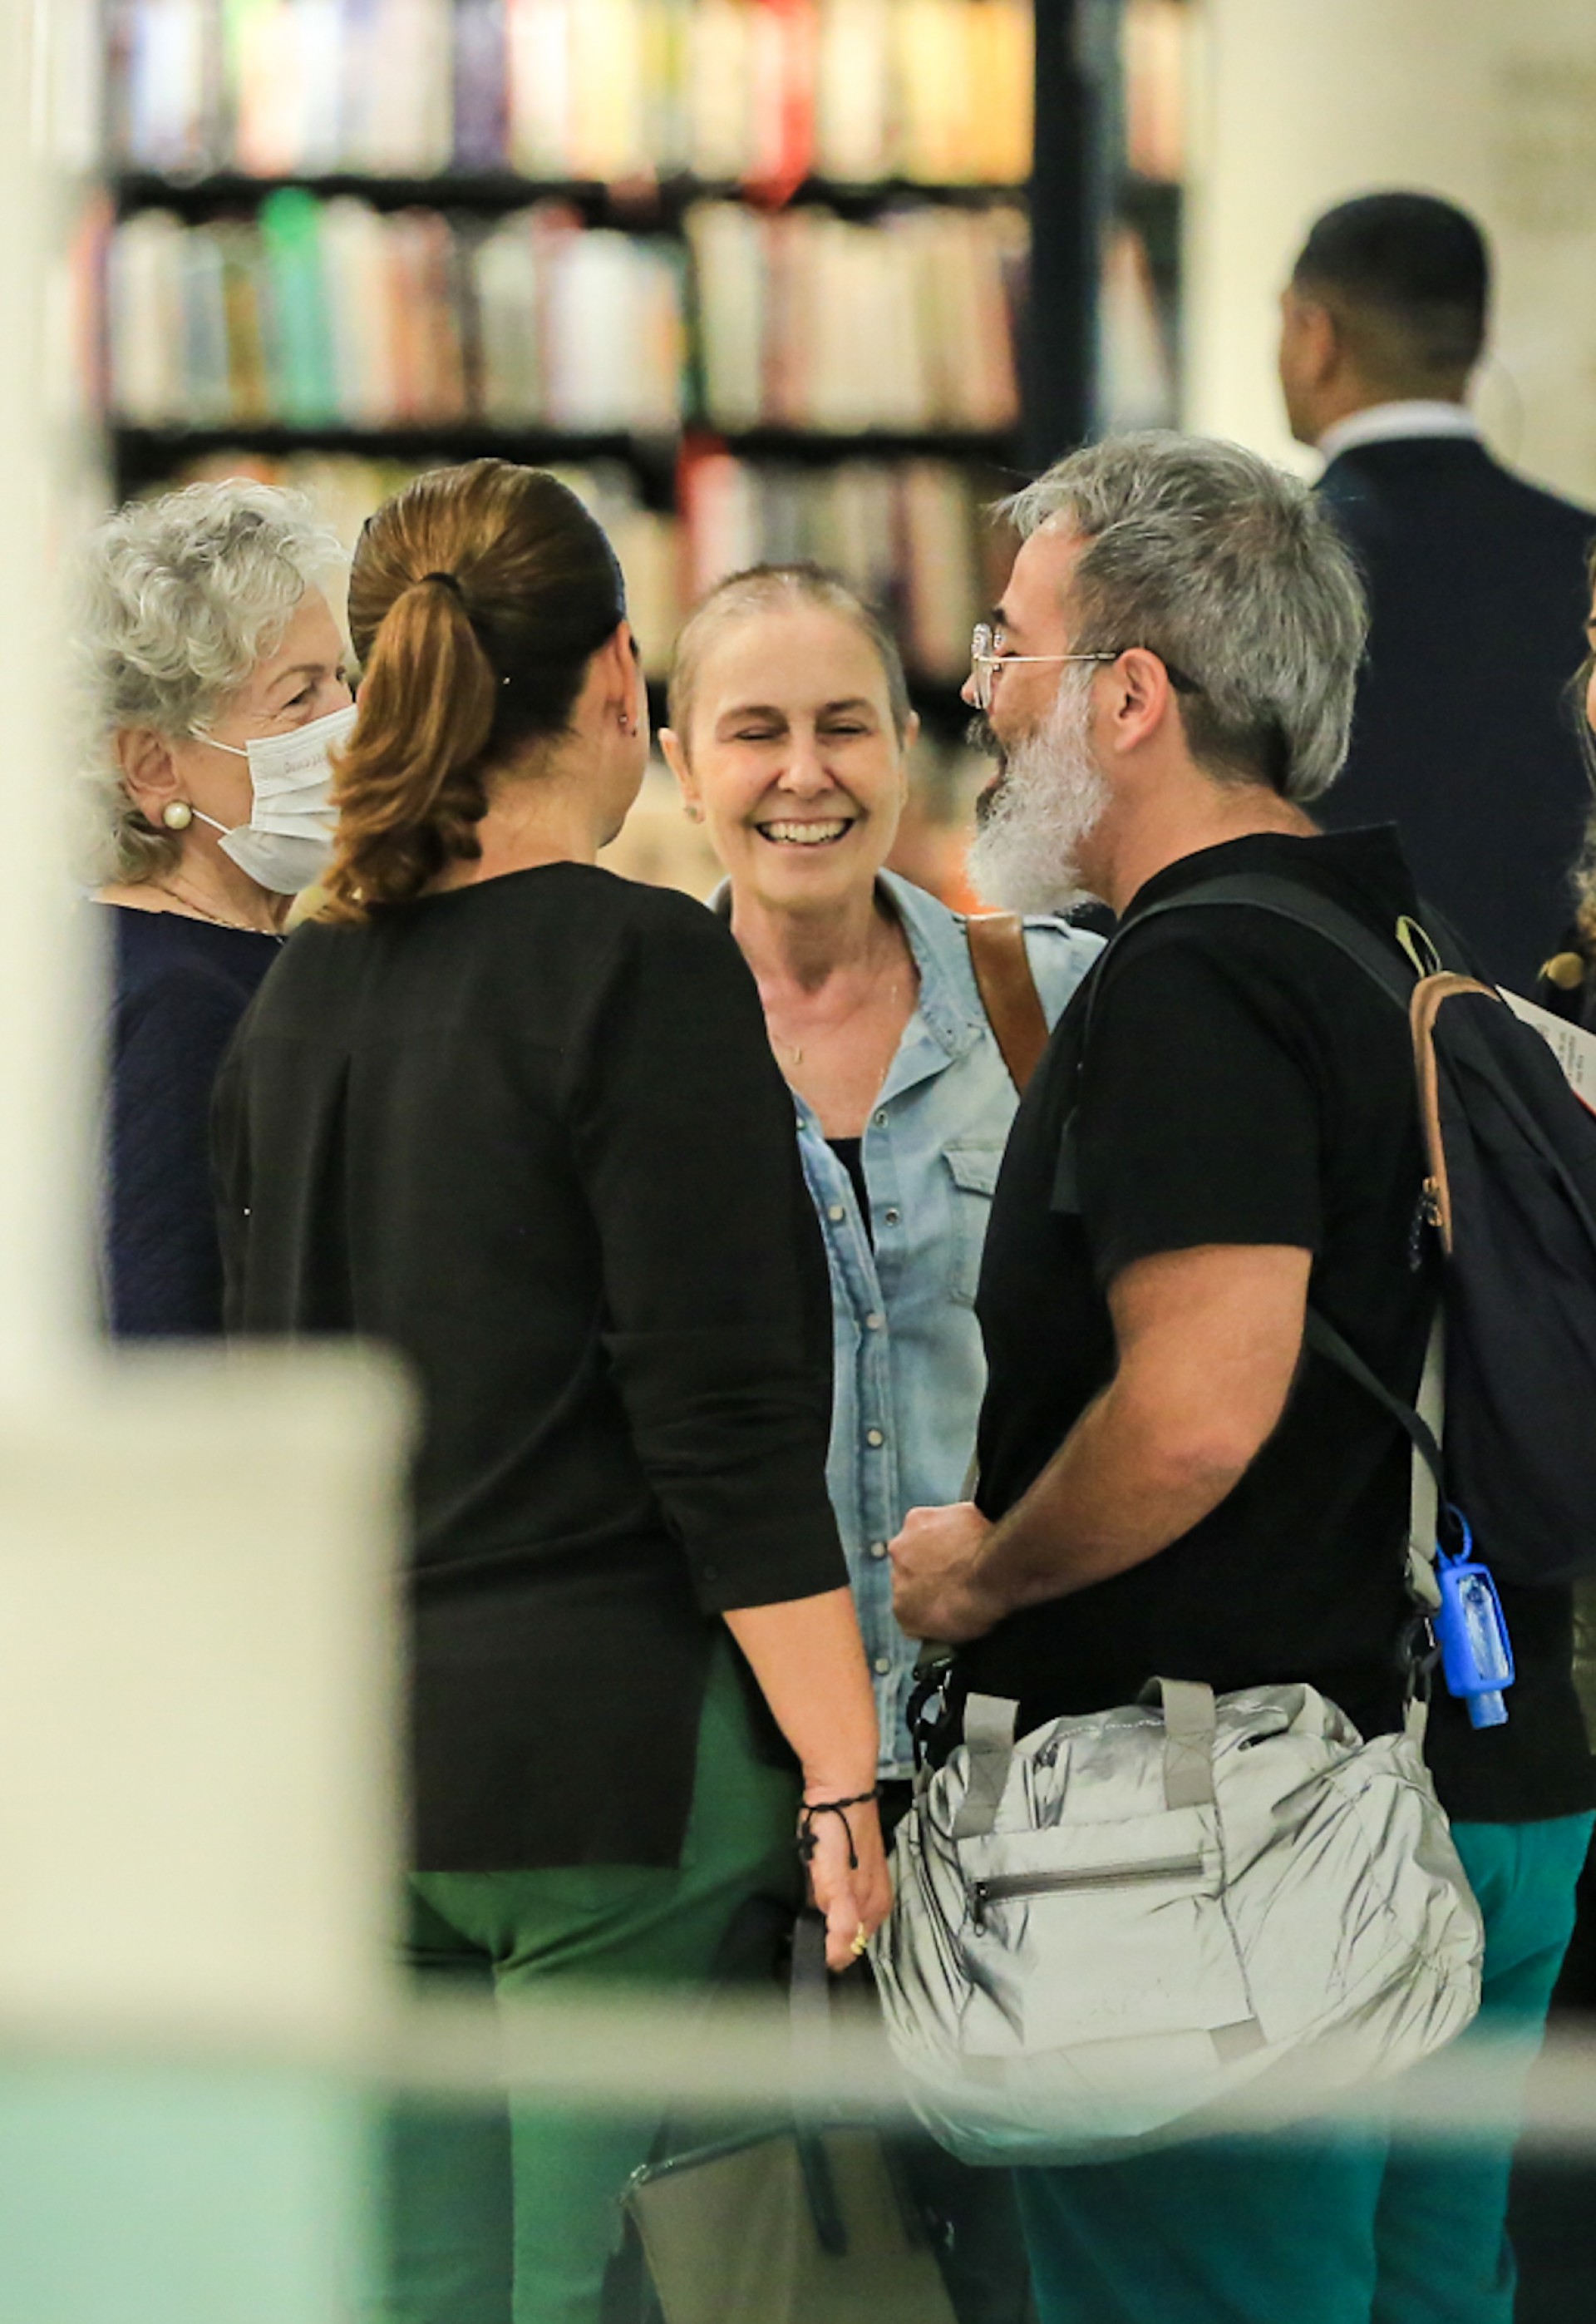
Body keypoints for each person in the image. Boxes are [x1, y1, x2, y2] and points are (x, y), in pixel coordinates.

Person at [889, 431, 1594, 2324]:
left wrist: (984, 1571)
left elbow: (1200, 1404)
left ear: (1128, 695)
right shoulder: (1391, 939)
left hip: (1243, 1842)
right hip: (1473, 1775)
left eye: (1011, 645)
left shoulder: (1197, 980)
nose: (976, 684)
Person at [212, 461, 890, 2324]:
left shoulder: (299, 991)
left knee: (416, 2288)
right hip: (611, 1770)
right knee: (628, 2279)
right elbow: (724, 1421)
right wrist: (847, 1770)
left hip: (355, 1760)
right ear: (617, 680)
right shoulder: (637, 962)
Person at [659, 561, 1100, 2323]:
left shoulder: (1051, 1003)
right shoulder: (630, 1039)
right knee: (767, 2256)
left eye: (844, 723)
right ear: (681, 761)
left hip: (1028, 1761)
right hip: (744, 1773)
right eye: (752, 730)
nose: (803, 772)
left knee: (1033, 2250)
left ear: (907, 747)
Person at [1278, 190, 1594, 993]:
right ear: (1476, 342)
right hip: (1559, 1073)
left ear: (1315, 337)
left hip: (1319, 1049)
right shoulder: (1582, 556)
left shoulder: (1255, 568)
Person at [75, 477, 352, 1335]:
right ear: (155, 766)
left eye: (343, 677)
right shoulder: (185, 1001)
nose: (351, 721)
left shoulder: (113, 953)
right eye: (299, 697)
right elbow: (170, 1340)